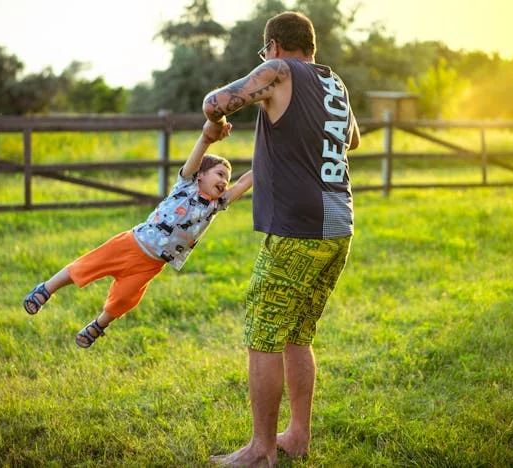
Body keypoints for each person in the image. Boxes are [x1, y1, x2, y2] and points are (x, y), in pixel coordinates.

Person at [202, 11, 360, 467]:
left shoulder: (279, 71)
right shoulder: (335, 84)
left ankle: (260, 451)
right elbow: (351, 140)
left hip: (298, 226)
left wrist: (222, 118)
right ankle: (297, 436)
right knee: (297, 331)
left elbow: (216, 103)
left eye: (263, 52)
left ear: (273, 45)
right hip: (338, 225)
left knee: (263, 331)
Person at [22, 122, 252, 348]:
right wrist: (206, 138)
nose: (224, 181)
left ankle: (98, 325)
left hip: (152, 264)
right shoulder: (186, 185)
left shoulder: (217, 204)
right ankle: (45, 290)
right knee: (86, 266)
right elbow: (198, 153)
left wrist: (268, 157)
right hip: (131, 243)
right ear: (200, 175)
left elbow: (244, 182)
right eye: (220, 174)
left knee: (125, 299)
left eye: (227, 178)